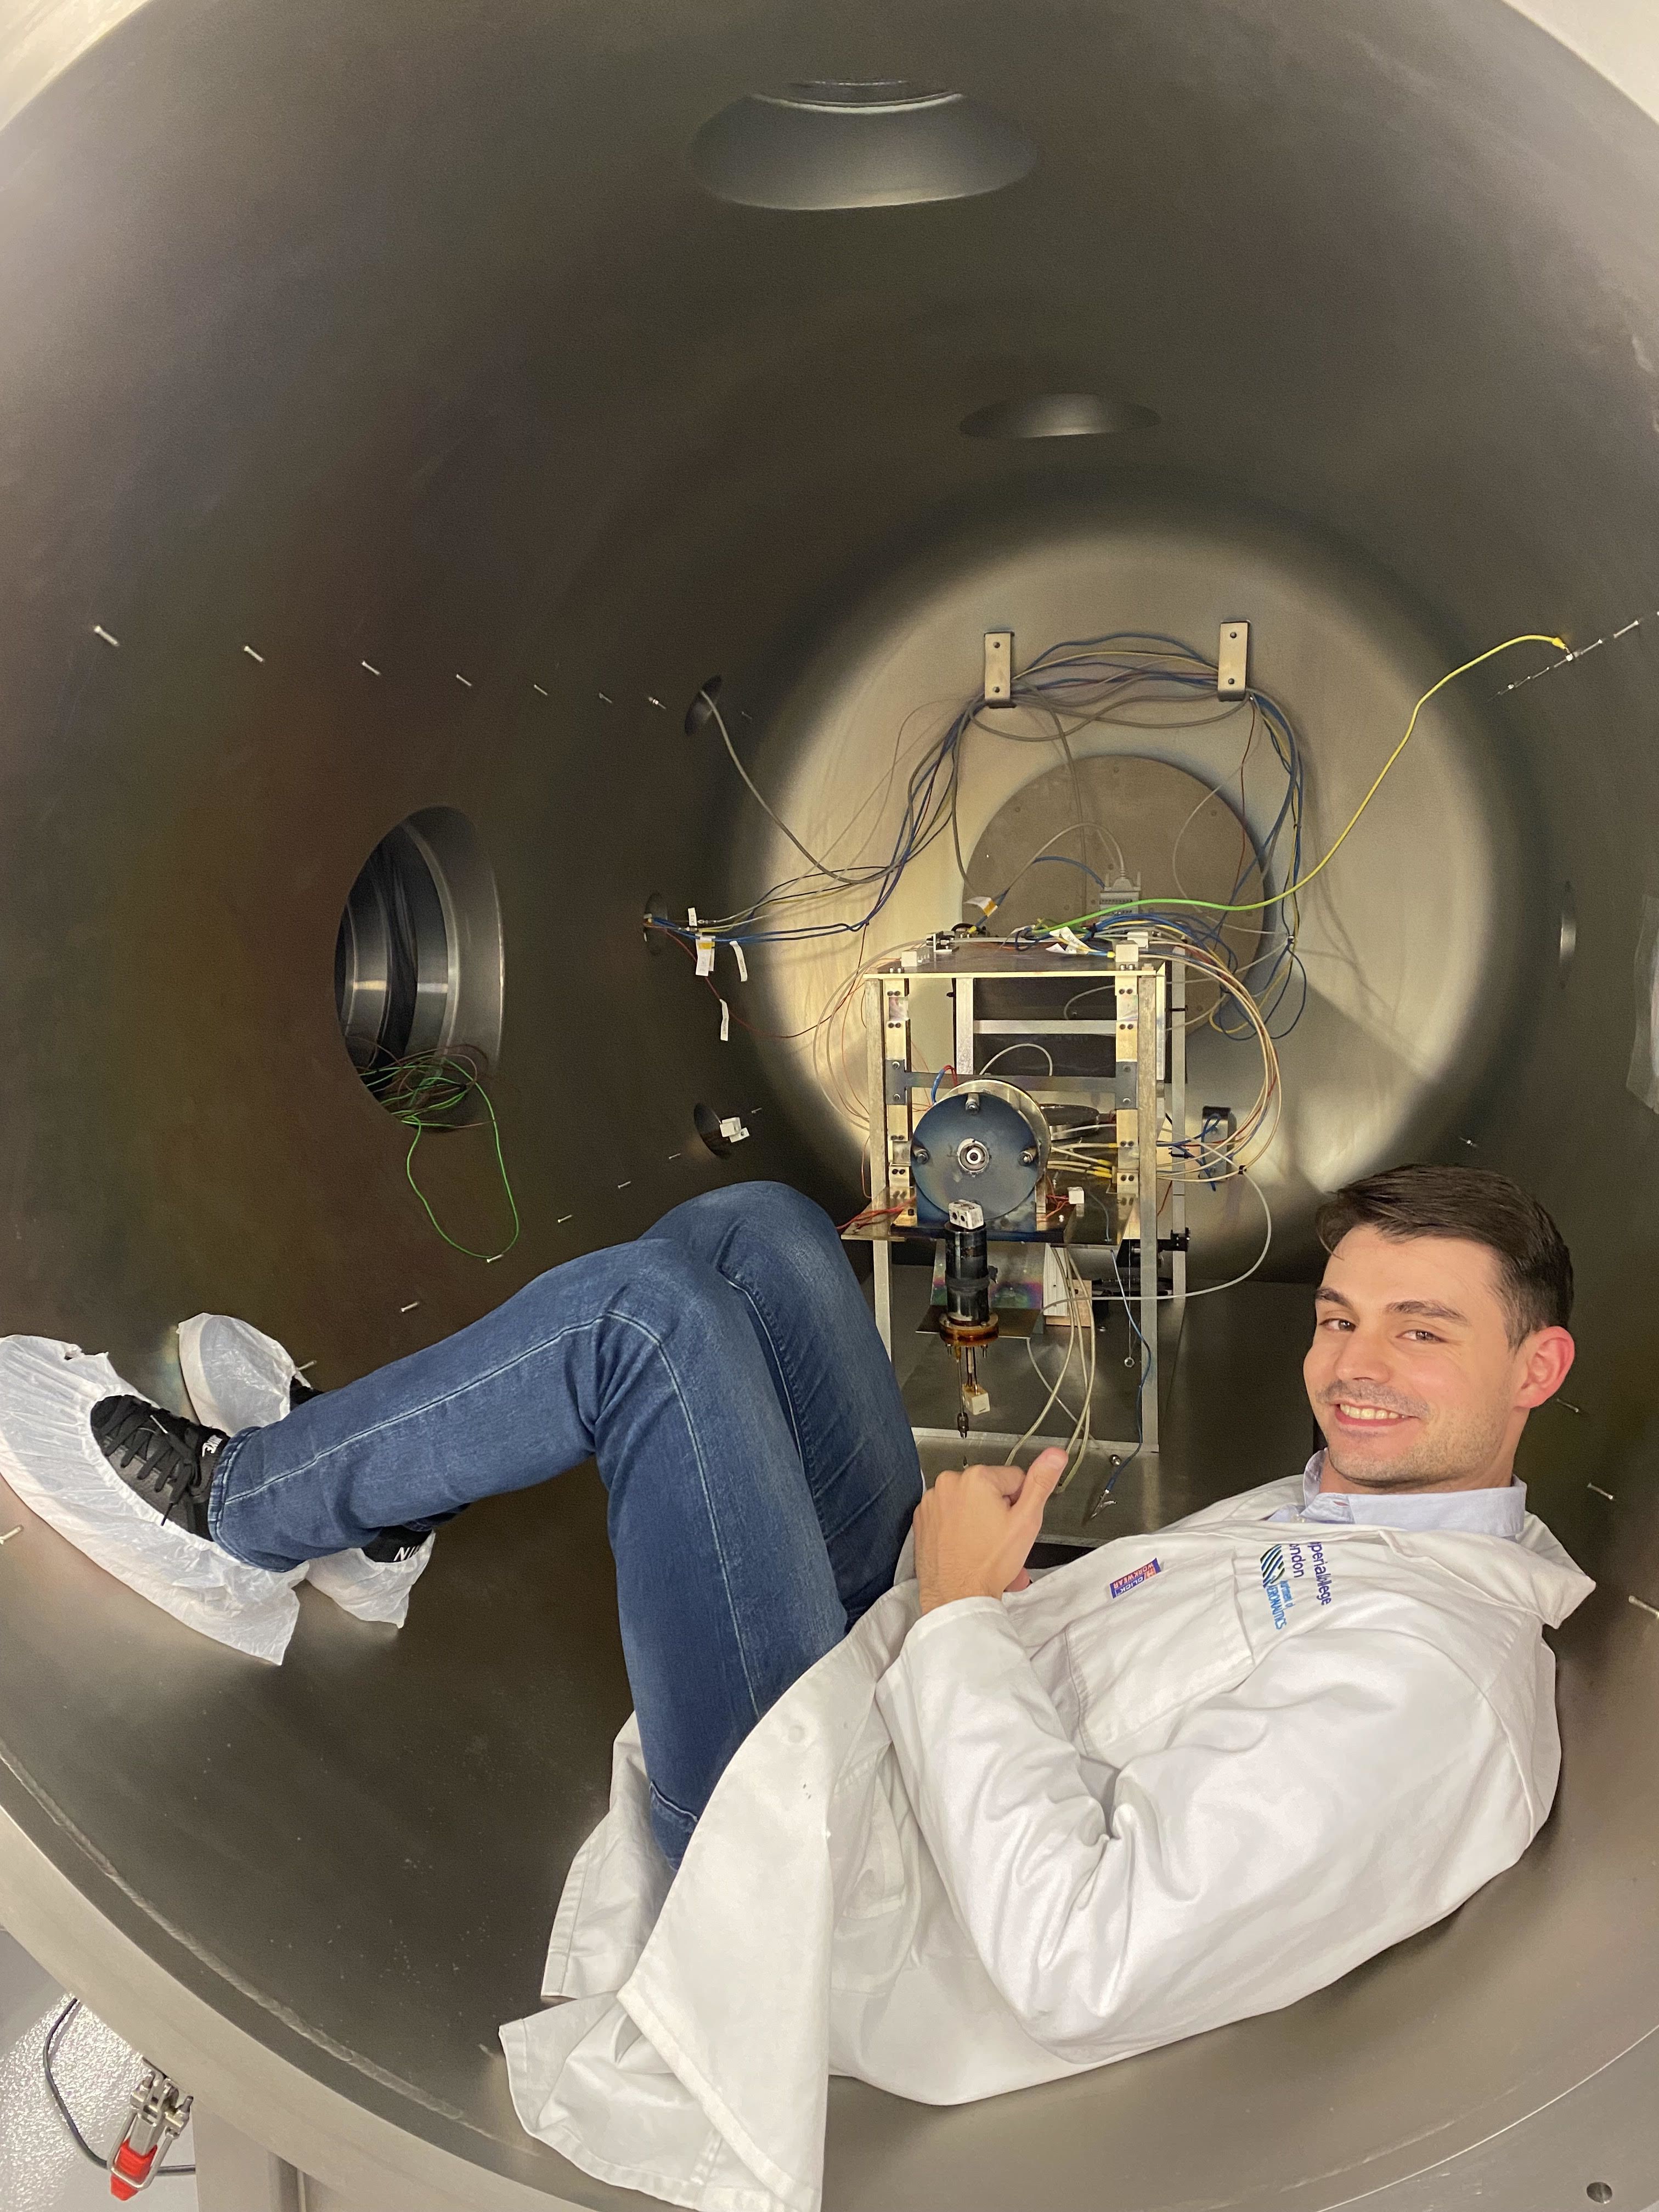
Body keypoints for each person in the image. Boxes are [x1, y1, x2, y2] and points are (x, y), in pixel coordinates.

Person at [87, 1163, 1593, 2212]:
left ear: (1539, 1369)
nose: (1355, 1367)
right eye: (1340, 1318)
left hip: (828, 1878)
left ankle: (240, 1513)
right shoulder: (1370, 1512)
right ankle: (381, 1500)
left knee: (644, 1324)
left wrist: (965, 1619)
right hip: (903, 1700)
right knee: (757, 1237)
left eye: (1423, 1332)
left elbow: (1078, 1958)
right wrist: (979, 1607)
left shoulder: (1437, 1694)